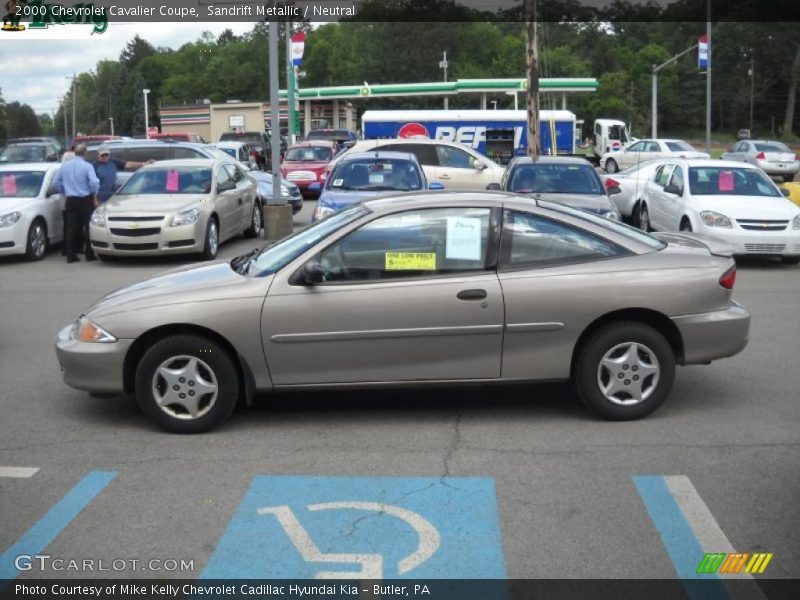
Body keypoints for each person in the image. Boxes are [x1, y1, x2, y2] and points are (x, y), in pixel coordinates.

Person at [54, 144, 99, 263]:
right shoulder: (87, 166)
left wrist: (65, 192)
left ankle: (70, 255)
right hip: (85, 199)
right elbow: (94, 182)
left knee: (71, 228)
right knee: (88, 226)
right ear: (85, 153)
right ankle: (89, 254)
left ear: (75, 153)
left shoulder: (64, 167)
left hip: (71, 199)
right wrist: (94, 193)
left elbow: (57, 182)